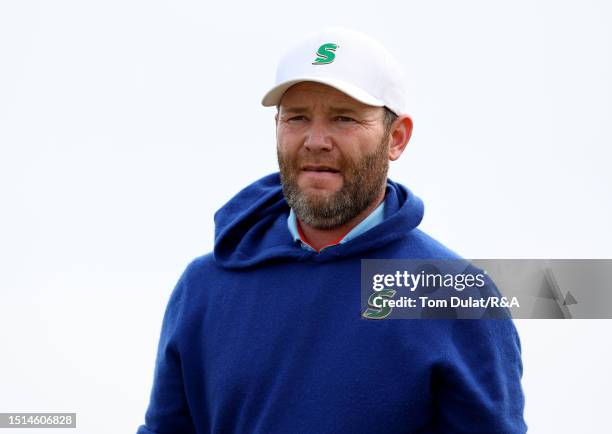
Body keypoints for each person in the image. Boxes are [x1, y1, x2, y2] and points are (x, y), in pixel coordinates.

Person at [137, 27, 527, 433]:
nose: (315, 140)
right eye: (298, 118)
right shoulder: (205, 287)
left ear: (397, 138)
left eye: (343, 118)